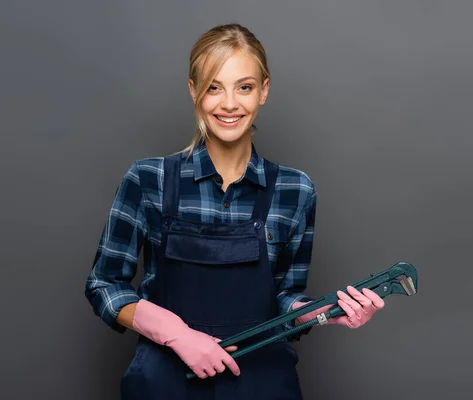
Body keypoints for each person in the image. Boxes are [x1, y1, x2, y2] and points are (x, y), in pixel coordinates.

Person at [85, 23, 385, 399]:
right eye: (214, 87)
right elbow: (104, 285)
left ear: (264, 91)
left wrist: (328, 311)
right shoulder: (150, 179)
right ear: (194, 90)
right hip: (164, 384)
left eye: (244, 86)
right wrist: (176, 334)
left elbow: (285, 298)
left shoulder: (295, 190)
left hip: (263, 384)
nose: (229, 103)